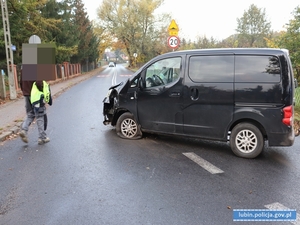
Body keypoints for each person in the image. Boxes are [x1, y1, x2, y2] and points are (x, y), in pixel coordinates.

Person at [19, 72, 52, 145]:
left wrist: (25, 92)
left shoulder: (24, 68)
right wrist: (42, 91)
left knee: (30, 114)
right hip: (36, 96)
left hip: (27, 95)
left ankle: (24, 130)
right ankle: (42, 138)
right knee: (40, 115)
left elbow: (21, 82)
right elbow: (39, 82)